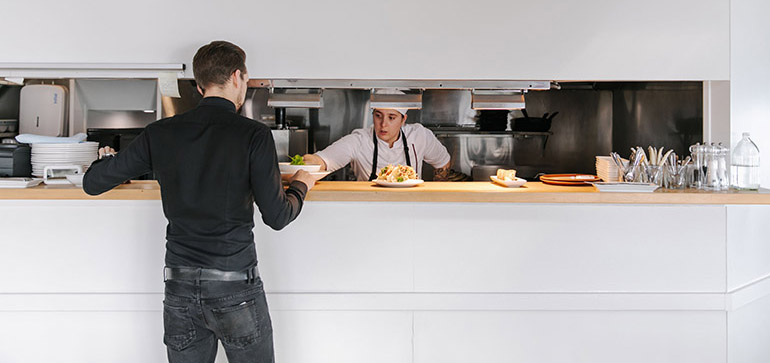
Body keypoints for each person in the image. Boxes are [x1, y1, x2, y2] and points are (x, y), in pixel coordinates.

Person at [82, 40, 315, 363]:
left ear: (200, 84)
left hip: (180, 289)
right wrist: (301, 185)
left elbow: (93, 183)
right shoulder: (254, 135)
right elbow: (277, 216)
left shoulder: (160, 133)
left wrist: (105, 161)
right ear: (237, 76)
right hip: (235, 288)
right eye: (246, 80)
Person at [303, 91, 457, 181]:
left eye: (391, 118)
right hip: (370, 209)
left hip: (411, 207)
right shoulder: (359, 140)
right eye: (378, 116)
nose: (383, 124)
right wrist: (308, 161)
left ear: (403, 120)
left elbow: (443, 162)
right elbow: (323, 161)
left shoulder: (420, 136)